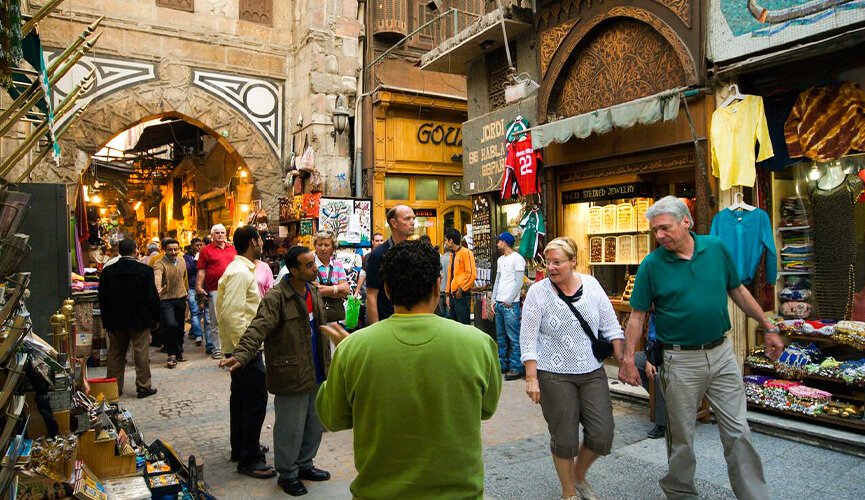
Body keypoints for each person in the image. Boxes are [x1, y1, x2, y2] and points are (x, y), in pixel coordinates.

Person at [618, 195, 784, 500]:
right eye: (655, 230)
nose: (659, 236)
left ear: (686, 222)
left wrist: (768, 325)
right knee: (681, 436)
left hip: (721, 354)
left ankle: (754, 496)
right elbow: (637, 316)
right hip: (679, 360)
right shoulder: (652, 265)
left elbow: (738, 291)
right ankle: (681, 493)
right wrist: (628, 359)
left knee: (738, 432)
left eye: (665, 228)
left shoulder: (716, 248)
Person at [315, 240, 502, 499]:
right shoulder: (479, 343)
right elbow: (487, 408)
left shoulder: (355, 349)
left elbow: (332, 417)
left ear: (387, 290)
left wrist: (346, 357)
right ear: (438, 285)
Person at [220, 246, 332, 496]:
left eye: (314, 263)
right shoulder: (277, 297)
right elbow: (258, 327)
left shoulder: (313, 290)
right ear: (293, 270)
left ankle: (305, 465)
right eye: (309, 265)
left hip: (317, 368)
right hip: (291, 372)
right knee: (290, 428)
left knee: (314, 424)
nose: (315, 268)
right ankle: (288, 473)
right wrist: (241, 354)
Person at [520, 237, 624, 500]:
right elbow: (528, 336)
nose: (551, 268)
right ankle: (569, 493)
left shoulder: (591, 285)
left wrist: (623, 359)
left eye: (557, 262)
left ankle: (578, 475)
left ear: (573, 261)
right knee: (564, 437)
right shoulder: (538, 292)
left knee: (602, 433)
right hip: (553, 373)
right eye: (548, 262)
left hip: (591, 370)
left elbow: (611, 325)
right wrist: (531, 377)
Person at [215, 226, 275, 480]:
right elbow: (231, 314)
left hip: (241, 348)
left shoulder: (240, 269)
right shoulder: (240, 272)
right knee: (254, 401)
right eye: (260, 239)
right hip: (245, 350)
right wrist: (243, 352)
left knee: (241, 400)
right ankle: (250, 457)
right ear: (253, 242)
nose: (262, 243)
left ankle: (241, 447)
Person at [97, 239, 159, 399]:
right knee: (141, 354)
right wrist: (156, 318)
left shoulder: (108, 272)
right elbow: (152, 297)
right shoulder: (144, 271)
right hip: (140, 319)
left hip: (116, 320)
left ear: (119, 251)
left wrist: (106, 320)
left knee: (115, 354)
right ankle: (143, 386)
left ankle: (114, 388)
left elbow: (102, 299)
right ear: (135, 251)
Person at [365, 205, 415, 323]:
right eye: (407, 219)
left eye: (413, 218)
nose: (412, 222)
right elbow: (371, 296)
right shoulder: (378, 255)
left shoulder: (414, 251)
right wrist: (376, 328)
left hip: (412, 319)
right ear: (394, 223)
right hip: (387, 320)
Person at [196, 223, 237, 359]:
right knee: (215, 319)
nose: (220, 235)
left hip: (232, 288)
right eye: (217, 233)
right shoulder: (205, 250)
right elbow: (202, 270)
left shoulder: (232, 249)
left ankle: (232, 346)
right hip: (214, 289)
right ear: (212, 235)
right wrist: (199, 286)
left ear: (226, 234)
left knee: (232, 318)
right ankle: (218, 348)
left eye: (222, 232)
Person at [492, 231, 526, 380]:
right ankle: (502, 364)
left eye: (499, 241)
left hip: (510, 304)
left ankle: (516, 366)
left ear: (505, 242)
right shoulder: (500, 260)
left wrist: (510, 299)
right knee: (501, 337)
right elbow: (498, 280)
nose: (498, 243)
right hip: (500, 301)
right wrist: (494, 299)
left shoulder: (518, 259)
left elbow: (519, 282)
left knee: (513, 336)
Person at [152, 238, 188, 368]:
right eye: (170, 250)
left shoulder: (182, 261)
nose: (173, 252)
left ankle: (178, 352)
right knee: (170, 324)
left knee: (180, 326)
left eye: (175, 249)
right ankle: (171, 354)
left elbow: (184, 278)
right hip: (166, 299)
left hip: (181, 297)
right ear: (164, 251)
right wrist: (158, 289)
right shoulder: (159, 263)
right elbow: (157, 276)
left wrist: (187, 292)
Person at [635, 315, 666, 439]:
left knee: (659, 376)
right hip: (657, 351)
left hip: (676, 352)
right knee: (632, 362)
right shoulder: (655, 309)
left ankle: (662, 423)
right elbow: (652, 337)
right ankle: (661, 400)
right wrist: (650, 357)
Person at [313, 230, 350, 323]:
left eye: (326, 245)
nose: (322, 248)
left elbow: (345, 291)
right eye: (319, 244)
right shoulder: (310, 265)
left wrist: (322, 290)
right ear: (315, 246)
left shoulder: (338, 265)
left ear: (333, 248)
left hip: (336, 318)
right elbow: (314, 292)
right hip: (316, 317)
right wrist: (337, 288)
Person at [444, 227, 477, 324]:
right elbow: (451, 276)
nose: (445, 243)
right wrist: (447, 294)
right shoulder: (452, 254)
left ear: (451, 241)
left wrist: (461, 289)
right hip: (453, 295)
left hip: (461, 295)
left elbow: (472, 274)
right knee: (454, 325)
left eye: (446, 240)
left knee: (463, 325)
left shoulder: (466, 253)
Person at [184, 238, 206, 345]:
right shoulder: (187, 257)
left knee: (201, 312)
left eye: (200, 245)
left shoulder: (204, 255)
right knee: (195, 311)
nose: (199, 247)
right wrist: (196, 261)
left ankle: (193, 331)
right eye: (196, 245)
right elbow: (188, 270)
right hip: (192, 287)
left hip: (203, 287)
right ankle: (198, 335)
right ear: (192, 246)